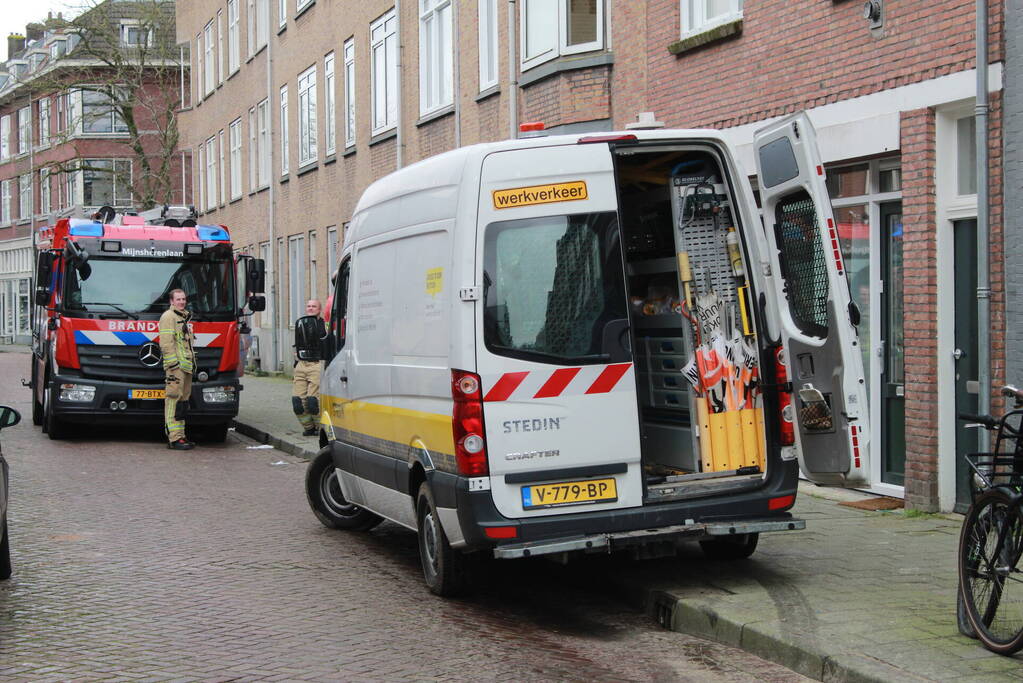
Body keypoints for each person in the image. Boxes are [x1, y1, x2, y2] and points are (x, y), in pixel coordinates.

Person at [160, 289, 196, 450]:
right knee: (174, 400)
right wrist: (173, 365)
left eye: (183, 299)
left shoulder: (182, 316)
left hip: (186, 366)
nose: (182, 302)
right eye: (178, 299)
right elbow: (166, 343)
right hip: (177, 367)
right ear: (171, 301)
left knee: (183, 402)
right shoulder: (168, 317)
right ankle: (174, 438)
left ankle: (181, 435)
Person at [293, 299, 327, 437]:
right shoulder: (301, 323)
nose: (311, 308)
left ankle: (320, 428)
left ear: (319, 309)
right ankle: (308, 427)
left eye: (314, 306)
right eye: (308, 306)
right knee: (297, 401)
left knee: (313, 401)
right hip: (301, 364)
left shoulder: (325, 325)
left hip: (316, 364)